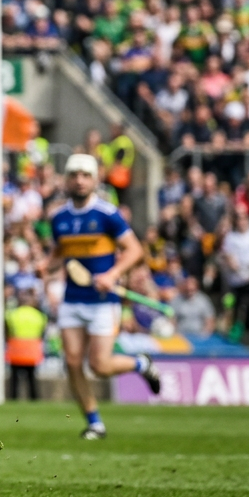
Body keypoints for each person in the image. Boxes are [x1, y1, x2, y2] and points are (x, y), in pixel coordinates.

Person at [46, 154, 161, 439]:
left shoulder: (107, 214)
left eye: (86, 175)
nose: (80, 180)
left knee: (100, 365)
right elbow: (60, 254)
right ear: (67, 179)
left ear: (95, 179)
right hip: (72, 299)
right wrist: (46, 267)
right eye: (74, 175)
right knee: (72, 363)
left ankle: (140, 364)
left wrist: (112, 274)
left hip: (102, 302)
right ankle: (94, 422)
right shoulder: (59, 218)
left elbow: (135, 251)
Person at [220, 209, 249, 342]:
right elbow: (228, 255)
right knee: (233, 306)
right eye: (239, 220)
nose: (242, 223)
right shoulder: (231, 237)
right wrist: (234, 265)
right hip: (235, 279)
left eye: (244, 220)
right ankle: (233, 333)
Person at [6, 286, 46, 401]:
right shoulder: (39, 316)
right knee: (32, 379)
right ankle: (34, 399)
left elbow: (8, 330)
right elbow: (42, 332)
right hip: (32, 352)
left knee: (14, 380)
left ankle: (13, 399)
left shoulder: (12, 314)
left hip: (16, 351)